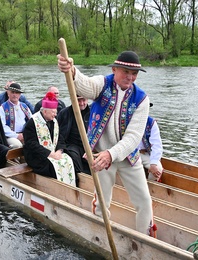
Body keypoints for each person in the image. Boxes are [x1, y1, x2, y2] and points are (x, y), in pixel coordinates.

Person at [57, 51, 154, 236]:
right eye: (126, 71)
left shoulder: (141, 99)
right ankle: (101, 235)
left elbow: (133, 138)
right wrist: (72, 70)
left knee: (144, 202)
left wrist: (112, 154)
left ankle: (145, 240)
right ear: (114, 69)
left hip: (128, 157)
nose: (130, 77)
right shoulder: (103, 84)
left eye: (134, 73)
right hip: (100, 155)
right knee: (102, 202)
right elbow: (85, 85)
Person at [23, 91, 76, 187]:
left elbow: (60, 138)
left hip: (54, 152)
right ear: (45, 111)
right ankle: (56, 188)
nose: (55, 115)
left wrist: (59, 151)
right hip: (36, 156)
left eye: (56, 112)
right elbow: (31, 144)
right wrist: (50, 154)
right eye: (53, 112)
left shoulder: (54, 121)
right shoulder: (33, 122)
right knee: (52, 167)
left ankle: (70, 186)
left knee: (69, 160)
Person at [57, 95, 91, 175]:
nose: (82, 103)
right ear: (72, 100)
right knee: (74, 156)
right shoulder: (64, 113)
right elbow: (59, 134)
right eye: (79, 100)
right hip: (71, 145)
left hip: (88, 145)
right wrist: (60, 149)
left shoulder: (92, 113)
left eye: (84, 100)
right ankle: (79, 178)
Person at [0, 82, 32, 149]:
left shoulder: (24, 106)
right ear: (8, 93)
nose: (14, 95)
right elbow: (1, 126)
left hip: (24, 134)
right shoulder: (2, 108)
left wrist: (26, 134)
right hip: (9, 136)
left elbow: (31, 121)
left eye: (17, 93)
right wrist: (16, 135)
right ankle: (13, 158)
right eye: (12, 92)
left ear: (20, 95)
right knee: (17, 145)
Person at [139, 104, 163, 181]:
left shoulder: (151, 123)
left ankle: (149, 190)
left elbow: (157, 145)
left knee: (157, 169)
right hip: (129, 153)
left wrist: (153, 164)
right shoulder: (127, 120)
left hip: (144, 154)